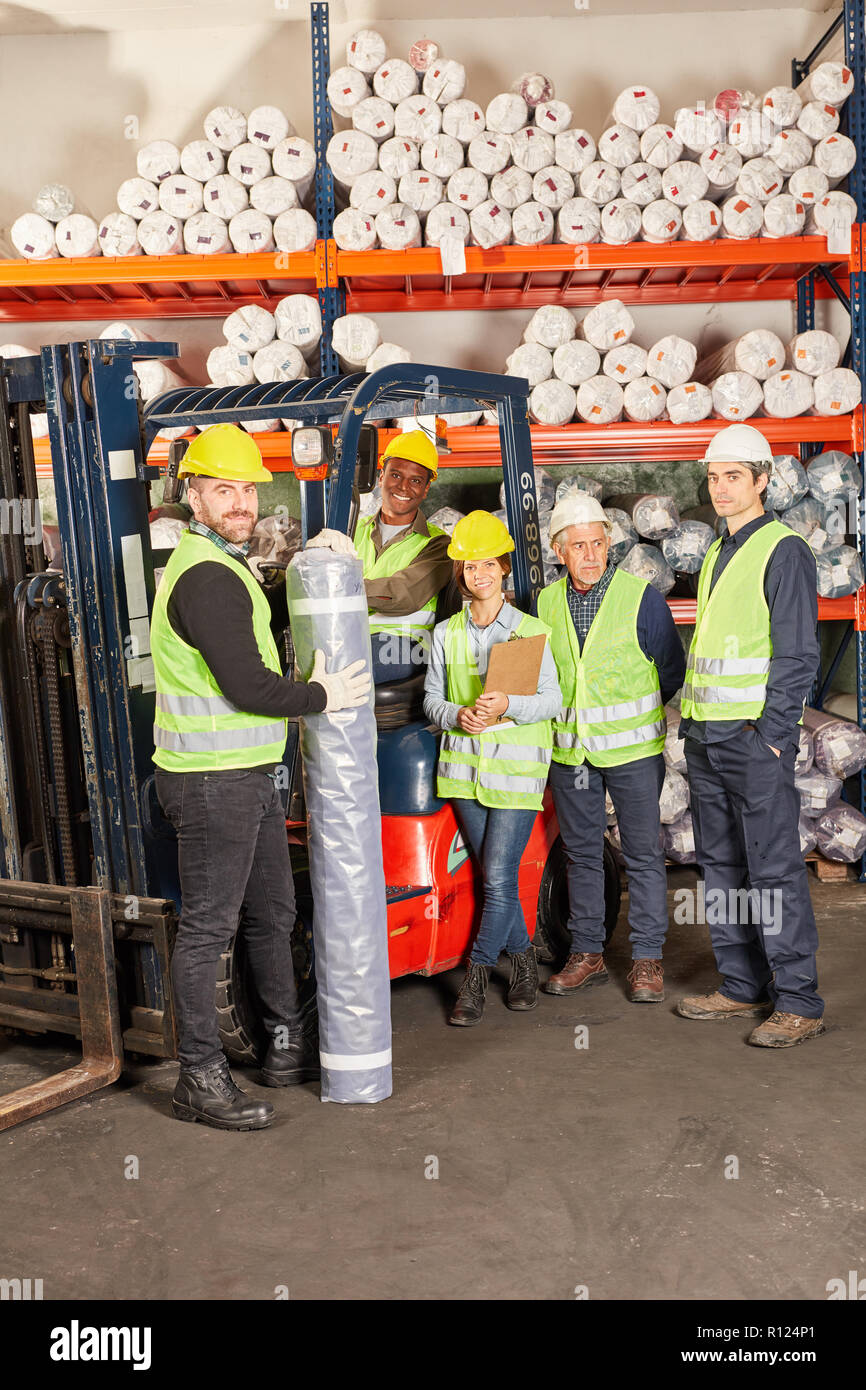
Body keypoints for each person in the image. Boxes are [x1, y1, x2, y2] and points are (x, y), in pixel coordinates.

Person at [151, 424, 372, 1131]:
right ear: (194, 496)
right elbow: (249, 684)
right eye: (225, 489)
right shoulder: (205, 573)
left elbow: (252, 625)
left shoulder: (224, 564)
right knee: (208, 930)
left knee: (273, 914)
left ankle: (283, 1048)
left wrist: (311, 564)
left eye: (248, 488)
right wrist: (320, 697)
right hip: (212, 781)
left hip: (243, 776)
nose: (241, 502)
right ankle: (201, 1080)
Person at [676, 424, 824, 1047]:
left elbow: (796, 655)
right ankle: (741, 985)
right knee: (721, 866)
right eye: (713, 477)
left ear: (763, 480)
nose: (722, 488)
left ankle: (799, 1001)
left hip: (751, 741)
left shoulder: (783, 550)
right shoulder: (717, 550)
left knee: (773, 867)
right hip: (708, 737)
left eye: (734, 476)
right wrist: (693, 727)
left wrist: (771, 736)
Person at [538, 493, 686, 1002]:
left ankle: (646, 960)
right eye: (578, 545)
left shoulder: (640, 597)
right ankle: (588, 953)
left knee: (643, 855)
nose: (590, 553)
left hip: (632, 752)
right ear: (559, 550)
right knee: (581, 855)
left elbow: (671, 669)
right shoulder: (543, 603)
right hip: (570, 753)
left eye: (598, 543)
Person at [423, 510, 562, 1026]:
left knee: (499, 877)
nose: (478, 574)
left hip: (515, 775)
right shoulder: (445, 634)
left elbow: (552, 699)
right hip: (462, 772)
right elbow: (431, 701)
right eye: (468, 565)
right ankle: (524, 964)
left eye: (486, 564)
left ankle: (475, 980)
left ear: (503, 568)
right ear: (459, 573)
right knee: (494, 877)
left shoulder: (529, 631)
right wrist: (457, 715)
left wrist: (507, 706)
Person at [355, 430, 453, 683]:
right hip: (349, 637)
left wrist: (338, 589)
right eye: (396, 475)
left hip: (404, 645)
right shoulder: (352, 531)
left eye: (416, 481)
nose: (403, 487)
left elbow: (402, 595)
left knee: (346, 669)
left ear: (426, 489)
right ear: (380, 478)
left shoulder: (438, 544)